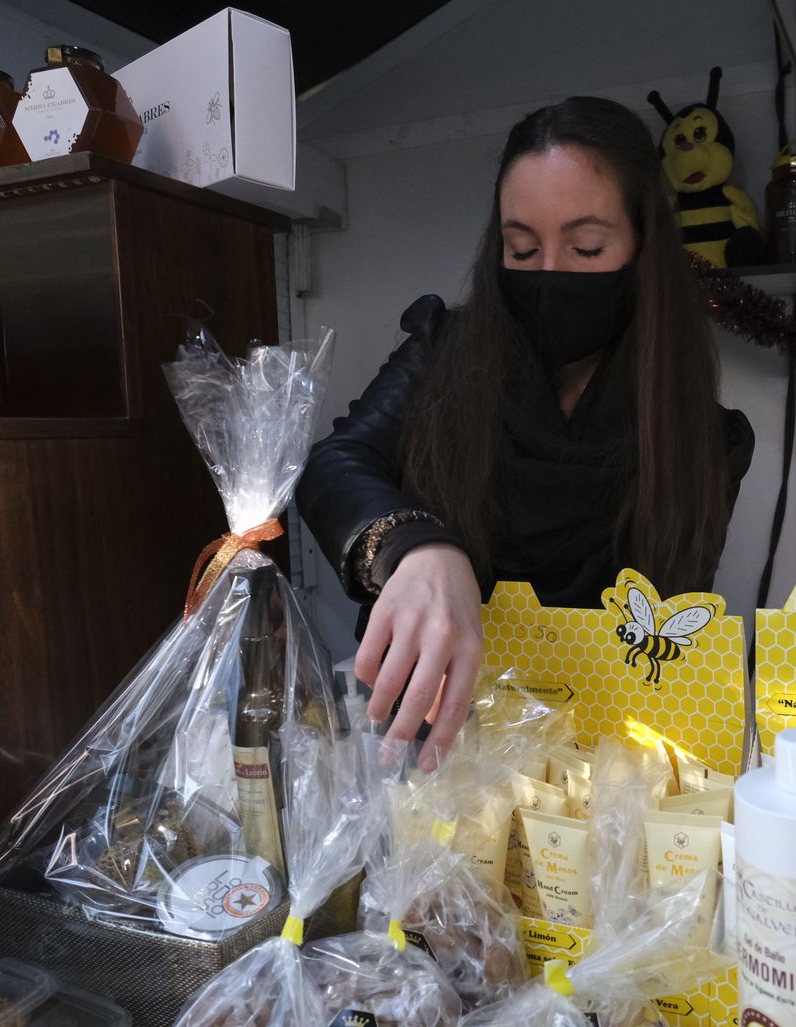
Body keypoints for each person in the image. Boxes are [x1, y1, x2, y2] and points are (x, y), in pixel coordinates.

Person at [297, 96, 754, 769]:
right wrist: (415, 547)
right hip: (435, 743)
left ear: (644, 248)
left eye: (586, 247)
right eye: (522, 247)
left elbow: (671, 648)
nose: (549, 274)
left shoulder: (697, 437)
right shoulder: (444, 354)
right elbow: (337, 462)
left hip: (602, 764)